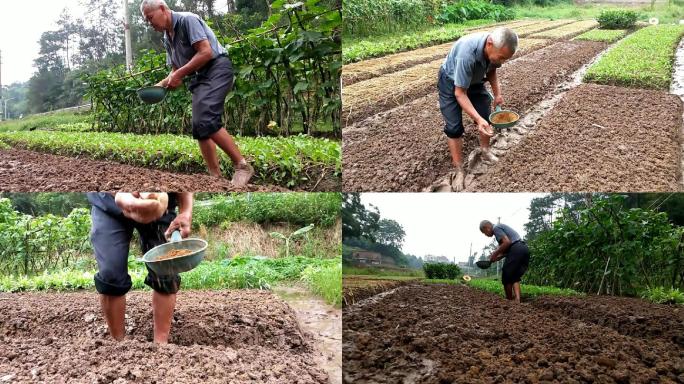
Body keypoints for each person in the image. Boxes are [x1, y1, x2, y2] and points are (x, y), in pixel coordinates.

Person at [140, 0, 254, 187]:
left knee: (206, 119)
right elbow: (176, 68)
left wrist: (179, 74)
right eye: (147, 20)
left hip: (217, 68)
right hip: (202, 74)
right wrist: (160, 86)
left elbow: (206, 52)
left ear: (162, 9)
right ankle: (214, 177)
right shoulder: (167, 37)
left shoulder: (187, 20)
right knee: (199, 126)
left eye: (150, 18)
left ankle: (242, 166)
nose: (149, 23)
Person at [88, 192, 193, 343]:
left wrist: (186, 212)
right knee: (110, 273)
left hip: (159, 206)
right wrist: (121, 196)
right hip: (109, 204)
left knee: (165, 272)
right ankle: (118, 343)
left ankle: (161, 346)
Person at [438, 27, 518, 191]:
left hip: (475, 81)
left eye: (505, 59)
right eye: (502, 57)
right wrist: (477, 120)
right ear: (489, 44)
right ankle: (459, 168)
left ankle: (485, 150)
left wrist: (497, 94)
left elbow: (492, 69)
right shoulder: (466, 54)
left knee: (486, 116)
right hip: (451, 82)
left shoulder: (494, 51)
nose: (502, 61)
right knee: (454, 127)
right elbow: (460, 93)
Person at [479, 220, 529, 303]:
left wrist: (494, 254)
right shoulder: (499, 228)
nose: (486, 235)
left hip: (516, 248)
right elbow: (507, 250)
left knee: (506, 274)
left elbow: (507, 242)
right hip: (523, 249)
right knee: (514, 275)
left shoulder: (496, 228)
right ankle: (517, 299)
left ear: (486, 228)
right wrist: (497, 257)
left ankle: (509, 301)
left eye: (484, 233)